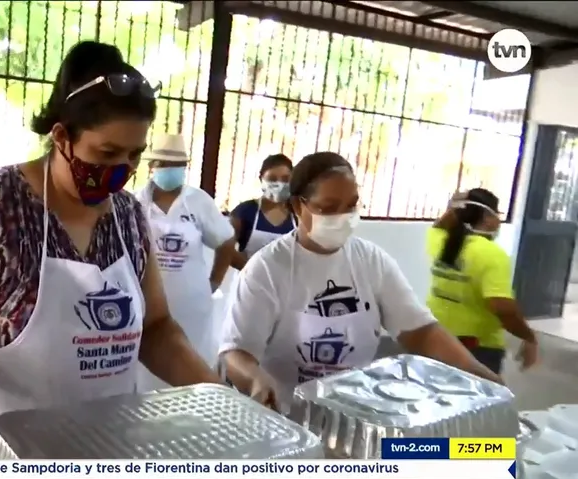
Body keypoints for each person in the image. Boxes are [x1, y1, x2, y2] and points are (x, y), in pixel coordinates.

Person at [0, 41, 223, 474]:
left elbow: (157, 330)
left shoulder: (128, 217)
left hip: (96, 455)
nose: (122, 169)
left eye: (134, 156)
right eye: (107, 154)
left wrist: (220, 398)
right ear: (62, 136)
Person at [218, 152, 502, 412]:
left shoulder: (371, 262)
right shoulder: (266, 269)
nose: (342, 217)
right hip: (282, 418)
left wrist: (477, 374)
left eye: (351, 206)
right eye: (328, 208)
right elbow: (237, 353)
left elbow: (421, 332)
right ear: (297, 206)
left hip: (351, 415)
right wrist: (256, 381)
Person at [134, 134, 236, 391]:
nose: (171, 170)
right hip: (148, 307)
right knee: (147, 375)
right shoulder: (136, 203)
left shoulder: (199, 202)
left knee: (191, 370)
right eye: (165, 164)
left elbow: (225, 241)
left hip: (192, 306)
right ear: (151, 167)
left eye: (177, 165)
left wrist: (214, 282)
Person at [427, 188, 538, 375]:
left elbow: (439, 226)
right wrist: (529, 337)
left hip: (436, 337)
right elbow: (502, 308)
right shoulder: (491, 254)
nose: (499, 221)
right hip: (478, 348)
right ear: (487, 217)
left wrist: (453, 209)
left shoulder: (439, 242)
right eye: (498, 214)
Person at [229, 154, 295, 269]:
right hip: (248, 282)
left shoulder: (298, 215)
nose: (279, 184)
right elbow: (225, 247)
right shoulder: (245, 211)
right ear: (261, 179)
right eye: (272, 179)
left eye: (285, 179)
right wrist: (251, 271)